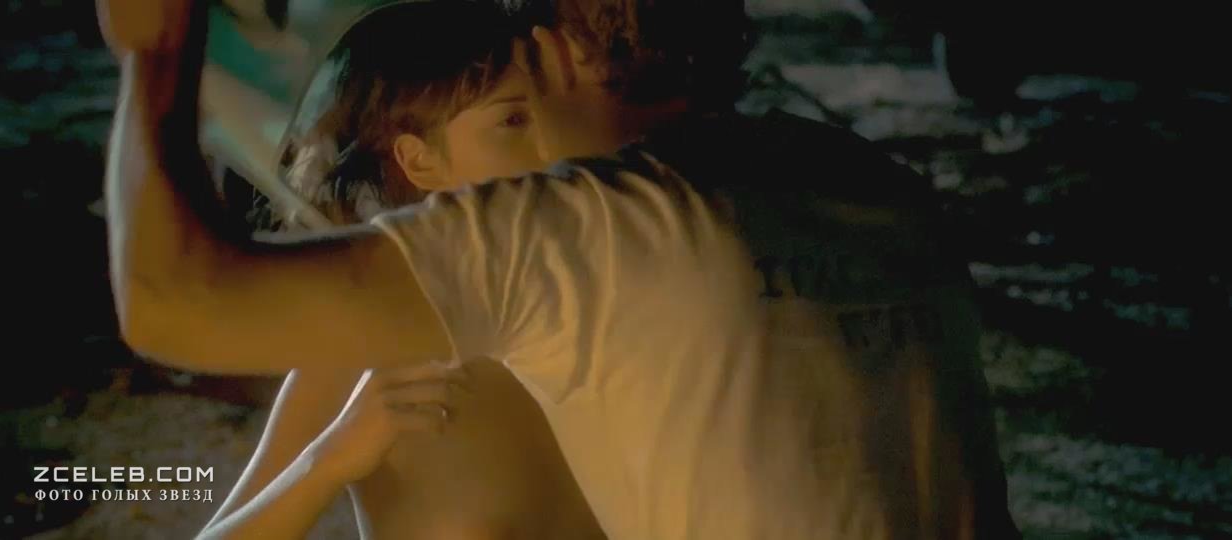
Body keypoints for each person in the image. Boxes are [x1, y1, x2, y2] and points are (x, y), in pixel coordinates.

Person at [98, 0, 1021, 537]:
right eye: (507, 122)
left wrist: (154, 49)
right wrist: (326, 460)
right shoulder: (876, 187)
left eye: (522, 107)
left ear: (550, 54)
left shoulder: (584, 253)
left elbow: (176, 296)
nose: (534, 143)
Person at [192, 2, 605, 539]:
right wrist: (330, 458)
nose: (550, 147)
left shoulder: (604, 308)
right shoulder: (363, 356)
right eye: (513, 121)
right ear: (420, 160)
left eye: (549, 115)